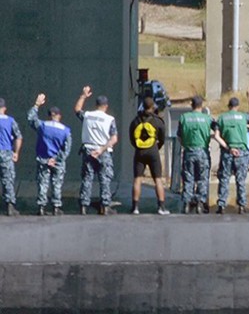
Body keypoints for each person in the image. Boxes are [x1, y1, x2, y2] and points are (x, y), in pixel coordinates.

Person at [177, 95, 226, 214]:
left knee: (188, 178)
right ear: (201, 106)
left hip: (189, 151)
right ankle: (200, 202)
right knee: (202, 179)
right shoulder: (207, 118)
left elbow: (179, 136)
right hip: (203, 151)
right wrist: (216, 136)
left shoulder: (184, 118)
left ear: (191, 105)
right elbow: (216, 127)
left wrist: (185, 143)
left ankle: (187, 203)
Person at [74, 85, 118, 215]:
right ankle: (105, 206)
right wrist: (102, 149)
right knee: (104, 178)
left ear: (96, 104)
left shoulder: (88, 116)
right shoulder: (110, 119)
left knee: (87, 178)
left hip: (88, 149)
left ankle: (84, 205)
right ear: (106, 106)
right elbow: (114, 138)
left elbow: (77, 109)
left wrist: (83, 95)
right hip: (103, 151)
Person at [27, 94, 72, 216]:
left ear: (49, 115)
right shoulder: (65, 130)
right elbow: (67, 149)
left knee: (43, 183)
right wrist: (57, 159)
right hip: (57, 161)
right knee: (57, 183)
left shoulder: (43, 126)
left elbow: (31, 119)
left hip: (43, 159)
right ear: (59, 116)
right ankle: (56, 207)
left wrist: (36, 105)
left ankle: (41, 206)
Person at [215, 87, 249, 214]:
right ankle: (242, 205)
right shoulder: (243, 117)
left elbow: (217, 136)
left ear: (228, 106)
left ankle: (222, 204)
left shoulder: (221, 118)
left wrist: (228, 148)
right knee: (240, 179)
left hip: (227, 151)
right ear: (237, 106)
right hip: (242, 152)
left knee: (224, 178)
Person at [128, 96, 168, 215]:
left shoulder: (135, 120)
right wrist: (157, 146)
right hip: (153, 151)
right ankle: (161, 207)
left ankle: (135, 207)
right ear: (152, 107)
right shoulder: (157, 121)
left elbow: (132, 137)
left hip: (139, 151)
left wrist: (138, 146)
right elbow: (162, 137)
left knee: (137, 179)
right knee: (158, 179)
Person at [0, 98, 23, 215]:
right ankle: (10, 206)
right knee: (8, 179)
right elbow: (18, 137)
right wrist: (16, 152)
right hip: (6, 152)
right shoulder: (10, 121)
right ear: (4, 108)